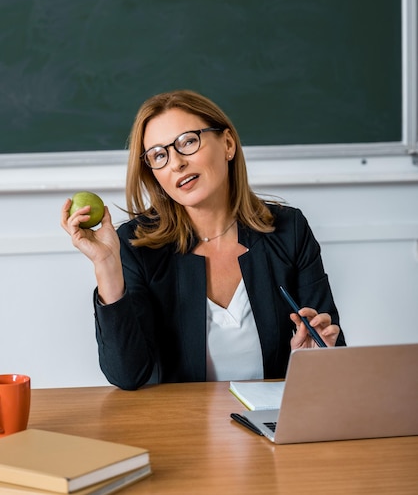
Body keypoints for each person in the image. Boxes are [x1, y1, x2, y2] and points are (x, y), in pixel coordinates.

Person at [61, 89, 345, 390]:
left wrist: (312, 361)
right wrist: (106, 265)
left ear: (227, 144)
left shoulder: (290, 230)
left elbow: (332, 353)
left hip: (273, 424)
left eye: (188, 142)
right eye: (159, 155)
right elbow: (128, 375)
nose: (176, 163)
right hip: (185, 428)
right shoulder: (134, 245)